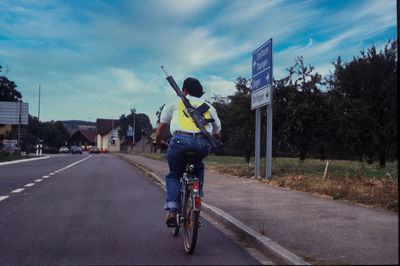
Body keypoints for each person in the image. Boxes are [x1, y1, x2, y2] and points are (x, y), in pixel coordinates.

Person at [153, 77, 221, 227]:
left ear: (184, 91)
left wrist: (157, 140)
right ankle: (196, 203)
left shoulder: (175, 103)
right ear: (200, 93)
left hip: (179, 142)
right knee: (198, 167)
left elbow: (161, 128)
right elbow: (217, 133)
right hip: (203, 144)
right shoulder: (209, 106)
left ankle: (172, 210)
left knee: (175, 174)